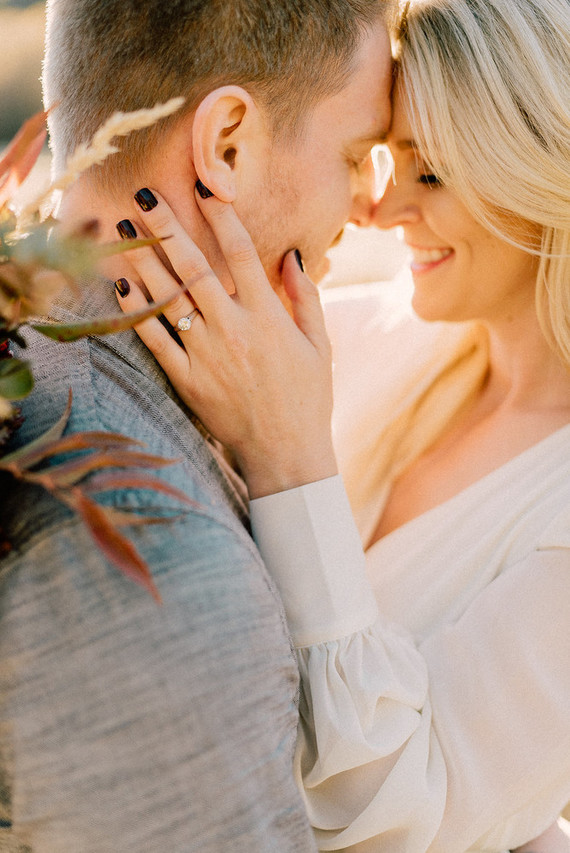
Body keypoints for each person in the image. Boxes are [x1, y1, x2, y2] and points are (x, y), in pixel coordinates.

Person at [113, 0, 570, 850]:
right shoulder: (356, 339)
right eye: (381, 159)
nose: (382, 211)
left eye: (432, 174)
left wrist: (293, 463)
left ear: (542, 176)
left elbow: (404, 816)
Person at [0, 1, 394, 850]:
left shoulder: (36, 359)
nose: (369, 203)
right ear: (227, 146)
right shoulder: (158, 571)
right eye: (355, 155)